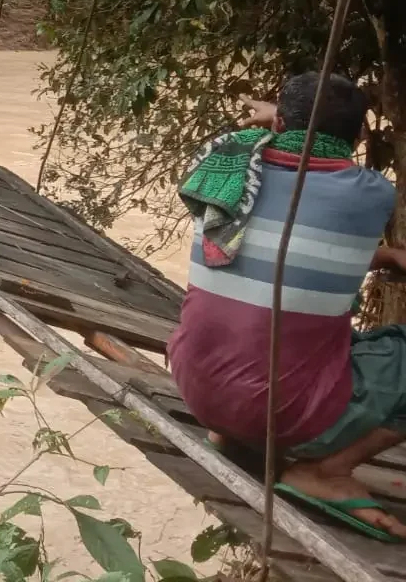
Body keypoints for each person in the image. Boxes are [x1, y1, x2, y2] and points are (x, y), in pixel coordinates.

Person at [168, 71, 406, 540]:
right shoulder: (371, 194)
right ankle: (325, 472)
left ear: (280, 124)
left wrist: (279, 117)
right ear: (360, 135)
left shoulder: (226, 172)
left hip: (196, 388)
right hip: (277, 412)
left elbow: (289, 242)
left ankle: (232, 433)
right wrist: (390, 255)